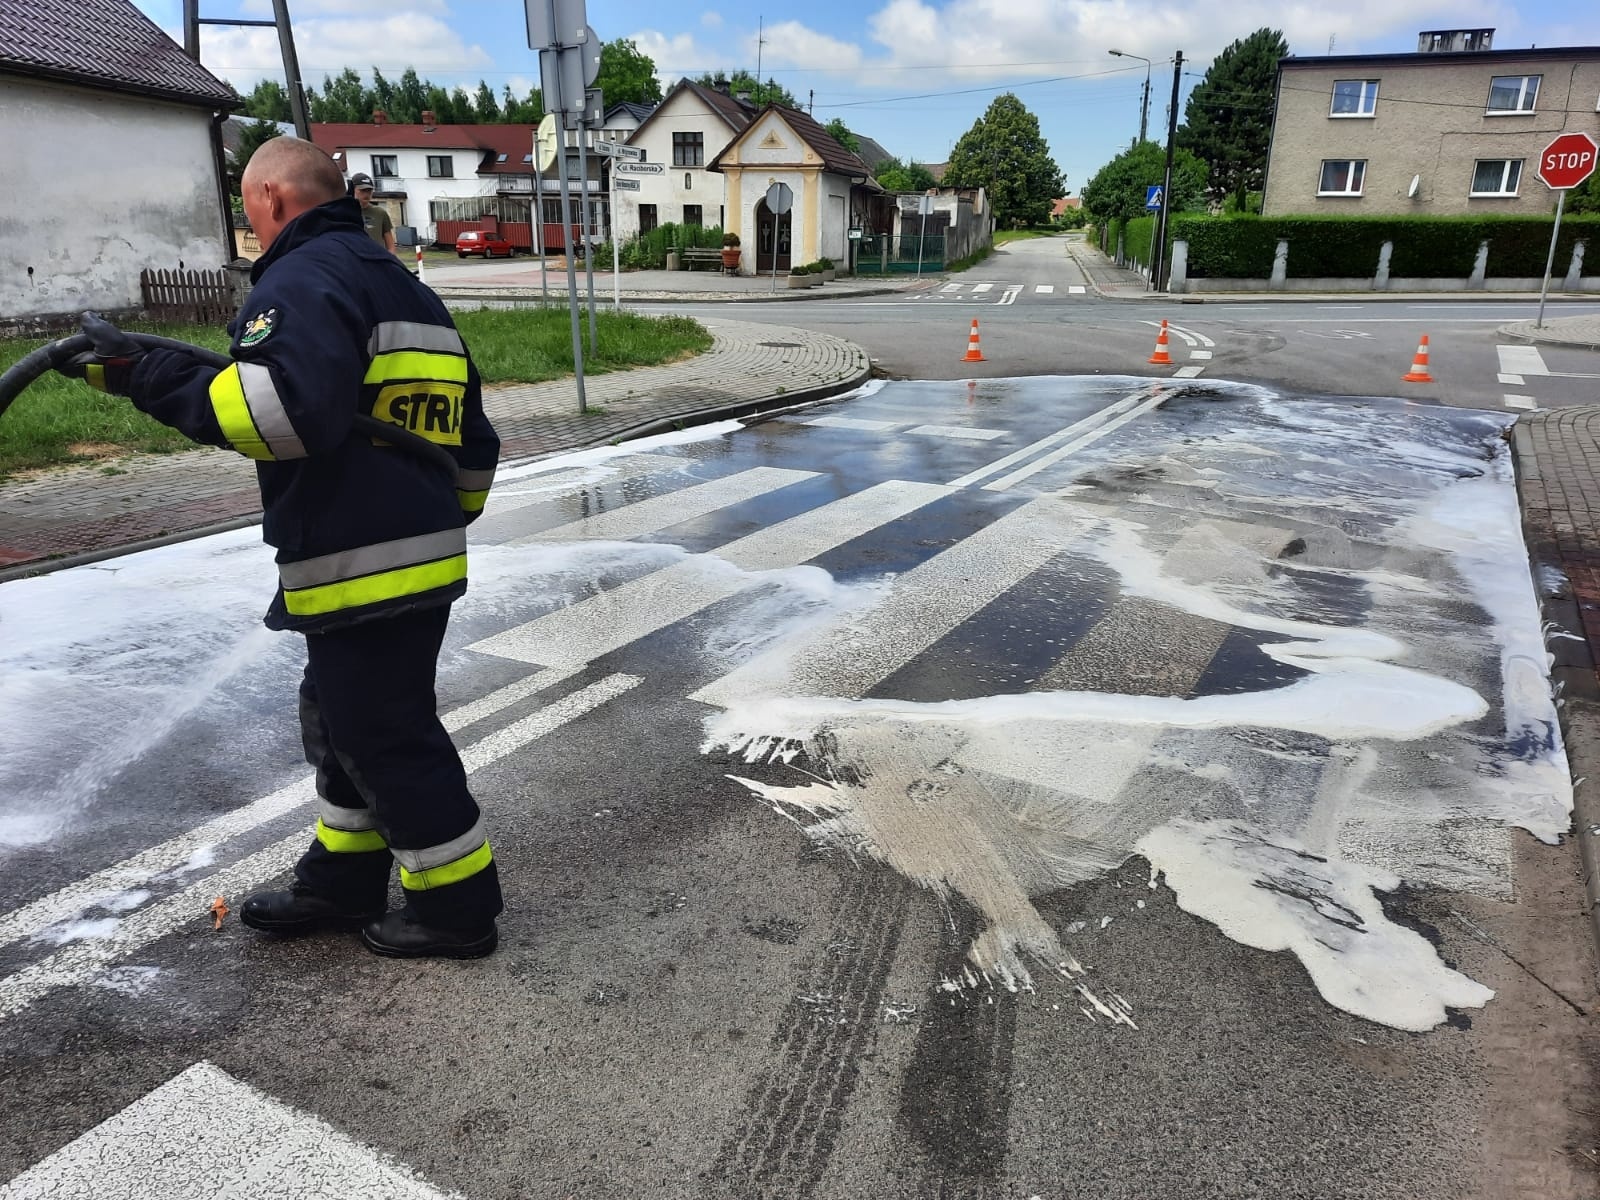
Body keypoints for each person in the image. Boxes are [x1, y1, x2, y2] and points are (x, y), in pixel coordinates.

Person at [58, 137, 504, 959]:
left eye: (247, 210)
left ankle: (456, 907)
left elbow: (274, 416)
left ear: (268, 198)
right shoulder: (402, 286)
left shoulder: (303, 280)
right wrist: (437, 521)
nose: (250, 225)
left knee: (383, 735)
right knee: (343, 725)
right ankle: (344, 878)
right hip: (411, 558)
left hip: (356, 560)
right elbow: (474, 443)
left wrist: (140, 375)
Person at [349, 172, 396, 254]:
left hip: (377, 262)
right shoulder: (344, 213)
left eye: (369, 190)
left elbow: (390, 245)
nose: (367, 194)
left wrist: (390, 261)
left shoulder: (380, 213)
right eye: (362, 190)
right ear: (352, 189)